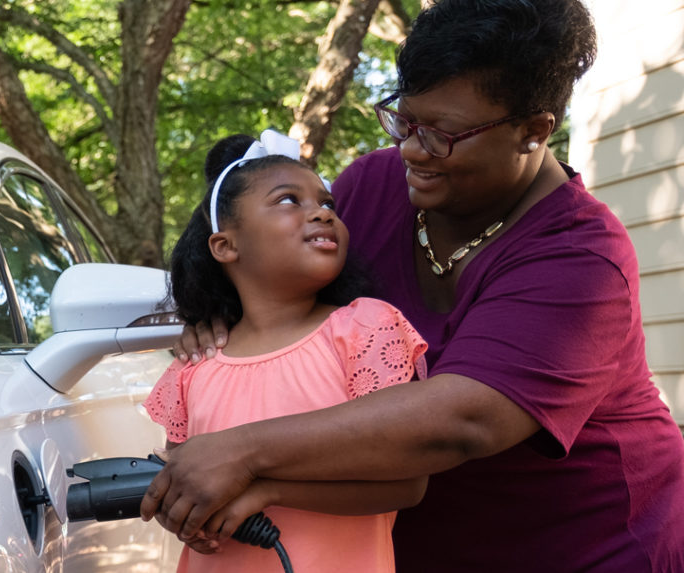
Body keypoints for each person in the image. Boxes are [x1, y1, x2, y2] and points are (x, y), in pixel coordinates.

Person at [140, 1, 684, 571]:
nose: (411, 149)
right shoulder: (371, 188)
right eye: (405, 119)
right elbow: (278, 288)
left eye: (444, 134)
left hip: (585, 547)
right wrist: (222, 317)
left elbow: (465, 419)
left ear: (533, 130)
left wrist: (243, 450)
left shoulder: (582, 257)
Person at [143, 129, 429, 572]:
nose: (321, 212)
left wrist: (266, 491)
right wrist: (178, 513)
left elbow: (407, 482)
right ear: (226, 245)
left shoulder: (366, 328)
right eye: (288, 200)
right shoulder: (193, 366)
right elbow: (182, 483)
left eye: (327, 203)